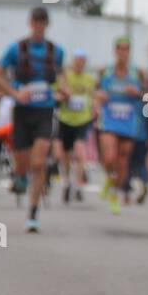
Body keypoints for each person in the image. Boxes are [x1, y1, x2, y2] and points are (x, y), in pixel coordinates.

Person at [0, 7, 65, 233]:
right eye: (36, 21)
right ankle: (20, 177)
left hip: (44, 111)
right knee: (22, 163)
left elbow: (62, 78)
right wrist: (14, 94)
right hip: (22, 112)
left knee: (39, 162)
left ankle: (33, 212)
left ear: (47, 24)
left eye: (43, 22)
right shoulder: (16, 48)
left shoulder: (56, 51)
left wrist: (64, 91)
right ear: (30, 22)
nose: (39, 25)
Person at [96, 38, 146, 216]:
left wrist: (139, 94)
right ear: (115, 51)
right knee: (109, 158)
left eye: (126, 50)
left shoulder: (138, 73)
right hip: (109, 119)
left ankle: (116, 193)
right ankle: (110, 179)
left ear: (129, 52)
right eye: (120, 50)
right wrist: (98, 97)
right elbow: (94, 93)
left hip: (129, 121)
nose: (123, 53)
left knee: (123, 162)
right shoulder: (104, 71)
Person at [55, 48, 96, 203]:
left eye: (83, 61)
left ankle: (78, 185)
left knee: (79, 153)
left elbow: (92, 97)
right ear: (74, 62)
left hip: (83, 120)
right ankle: (66, 182)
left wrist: (94, 109)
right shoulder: (65, 77)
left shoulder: (89, 79)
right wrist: (63, 95)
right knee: (64, 155)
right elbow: (56, 94)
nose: (80, 63)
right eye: (77, 60)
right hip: (65, 119)